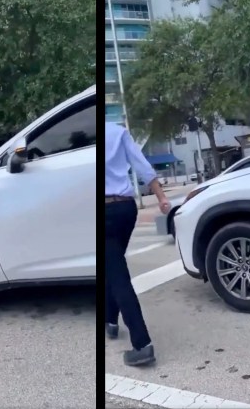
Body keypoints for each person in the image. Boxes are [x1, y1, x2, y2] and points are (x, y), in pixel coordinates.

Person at [104, 122, 171, 367]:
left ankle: (141, 344)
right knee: (113, 266)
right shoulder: (117, 131)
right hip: (125, 208)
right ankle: (110, 320)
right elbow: (141, 164)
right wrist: (162, 197)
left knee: (117, 274)